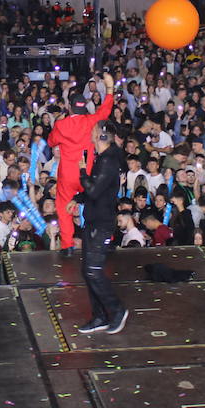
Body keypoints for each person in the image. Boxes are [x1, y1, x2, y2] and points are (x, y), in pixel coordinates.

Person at [47, 73, 116, 254]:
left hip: (68, 174)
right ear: (84, 107)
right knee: (99, 203)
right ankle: (108, 239)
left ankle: (68, 245)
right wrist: (109, 89)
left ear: (69, 107)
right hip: (88, 171)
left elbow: (50, 142)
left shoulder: (61, 125)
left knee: (64, 207)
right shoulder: (91, 120)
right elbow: (105, 110)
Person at [72, 120, 128, 335]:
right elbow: (96, 190)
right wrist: (78, 198)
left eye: (94, 133)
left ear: (103, 136)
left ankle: (117, 310)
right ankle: (100, 316)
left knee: (93, 270)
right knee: (87, 271)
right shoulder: (103, 158)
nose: (91, 137)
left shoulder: (109, 161)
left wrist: (82, 173)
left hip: (102, 224)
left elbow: (94, 190)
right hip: (94, 220)